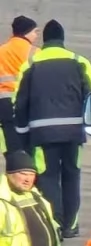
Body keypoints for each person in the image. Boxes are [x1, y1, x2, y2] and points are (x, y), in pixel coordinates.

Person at [13, 19, 91, 238]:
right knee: (72, 175)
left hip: (42, 134)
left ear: (45, 41)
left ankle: (55, 223)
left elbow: (19, 101)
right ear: (62, 39)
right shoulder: (79, 61)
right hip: (73, 133)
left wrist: (22, 133)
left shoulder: (31, 64)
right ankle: (70, 225)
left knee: (48, 177)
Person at [0, 17, 37, 154]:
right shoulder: (34, 53)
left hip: (3, 104)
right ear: (26, 32)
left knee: (11, 147)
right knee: (27, 147)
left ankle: (13, 170)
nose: (36, 36)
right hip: (24, 104)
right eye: (35, 32)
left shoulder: (1, 50)